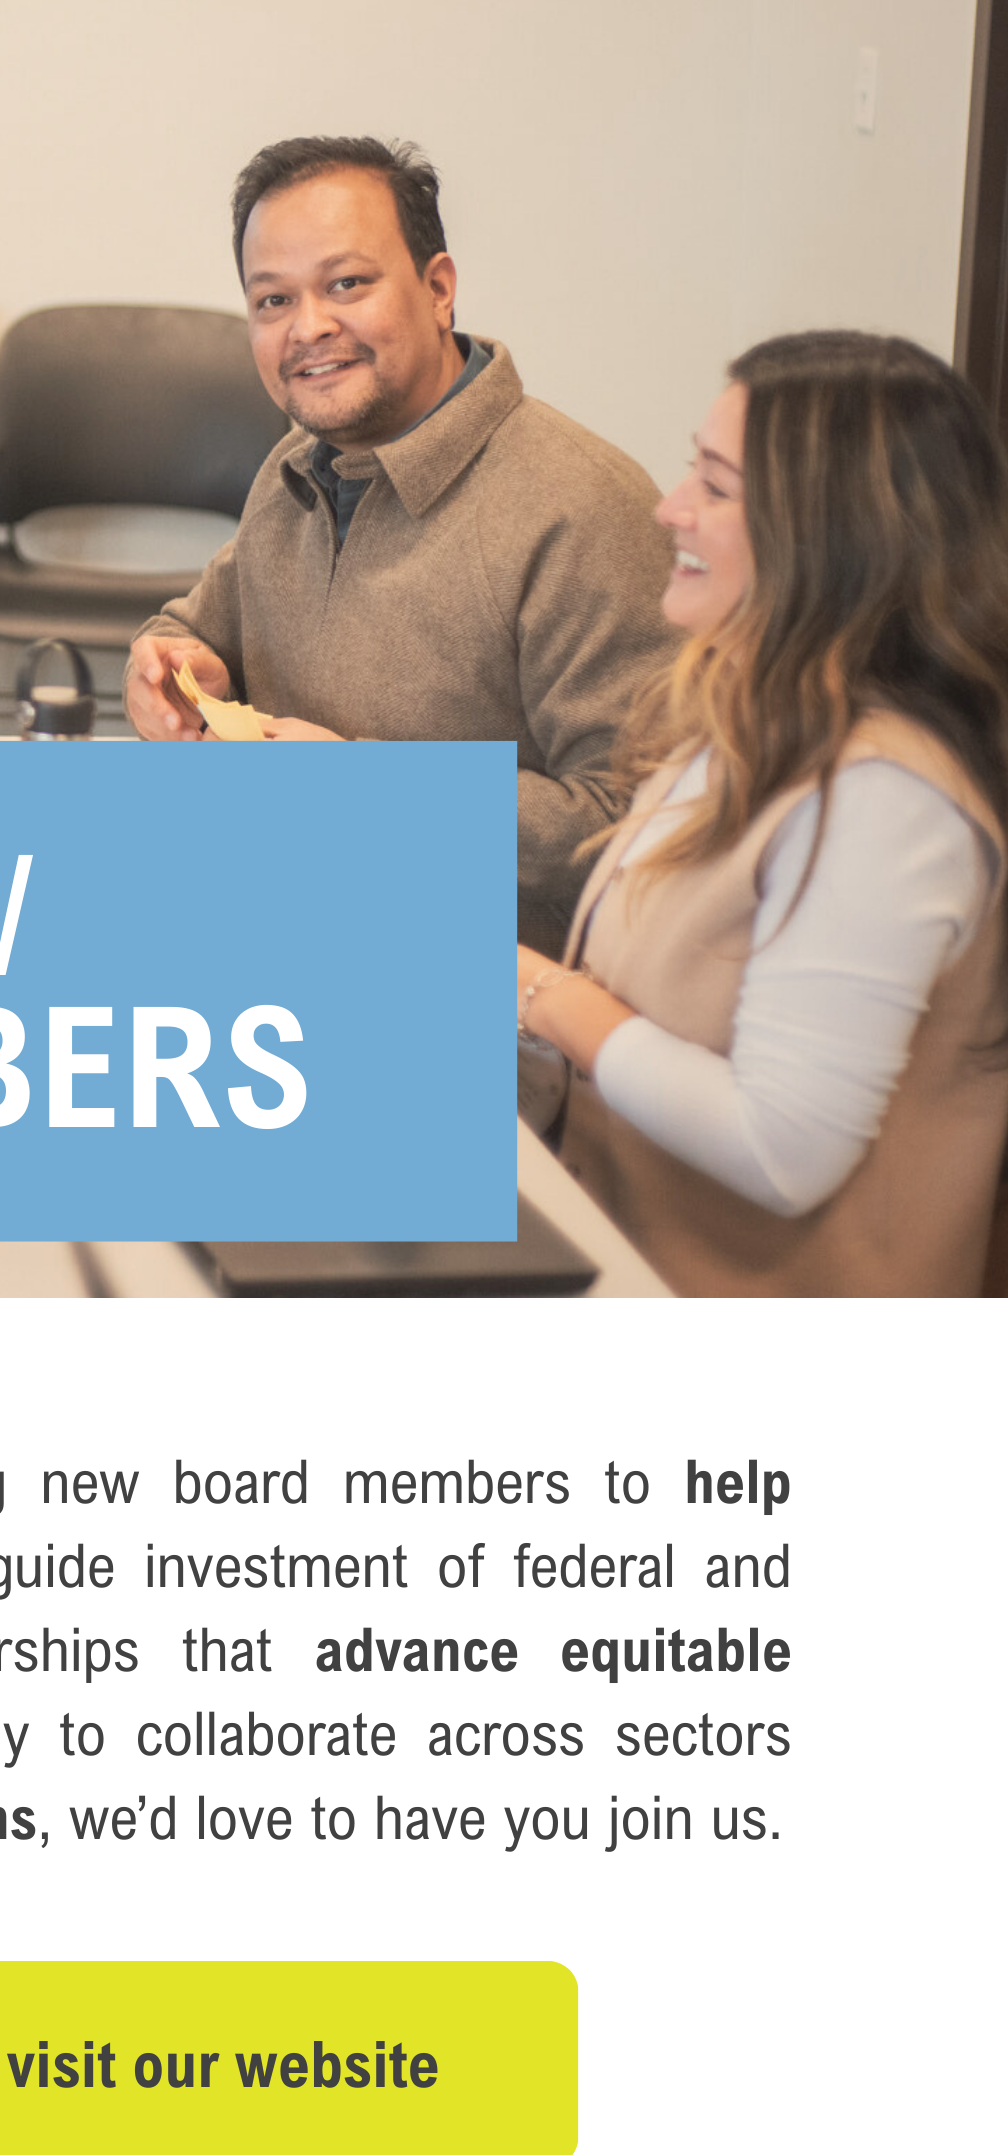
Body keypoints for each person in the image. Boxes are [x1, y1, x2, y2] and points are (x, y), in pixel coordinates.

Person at [516, 334, 1008, 1297]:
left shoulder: (886, 799)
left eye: (716, 484)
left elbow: (783, 1150)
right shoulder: (747, 727)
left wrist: (536, 992)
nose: (669, 508)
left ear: (836, 538)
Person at [125, 136, 674, 952]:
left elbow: (634, 834)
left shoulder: (584, 507)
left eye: (347, 283)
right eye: (272, 301)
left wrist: (369, 796)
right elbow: (197, 629)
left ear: (439, 289)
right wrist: (165, 665)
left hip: (488, 1001)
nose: (308, 327)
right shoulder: (297, 466)